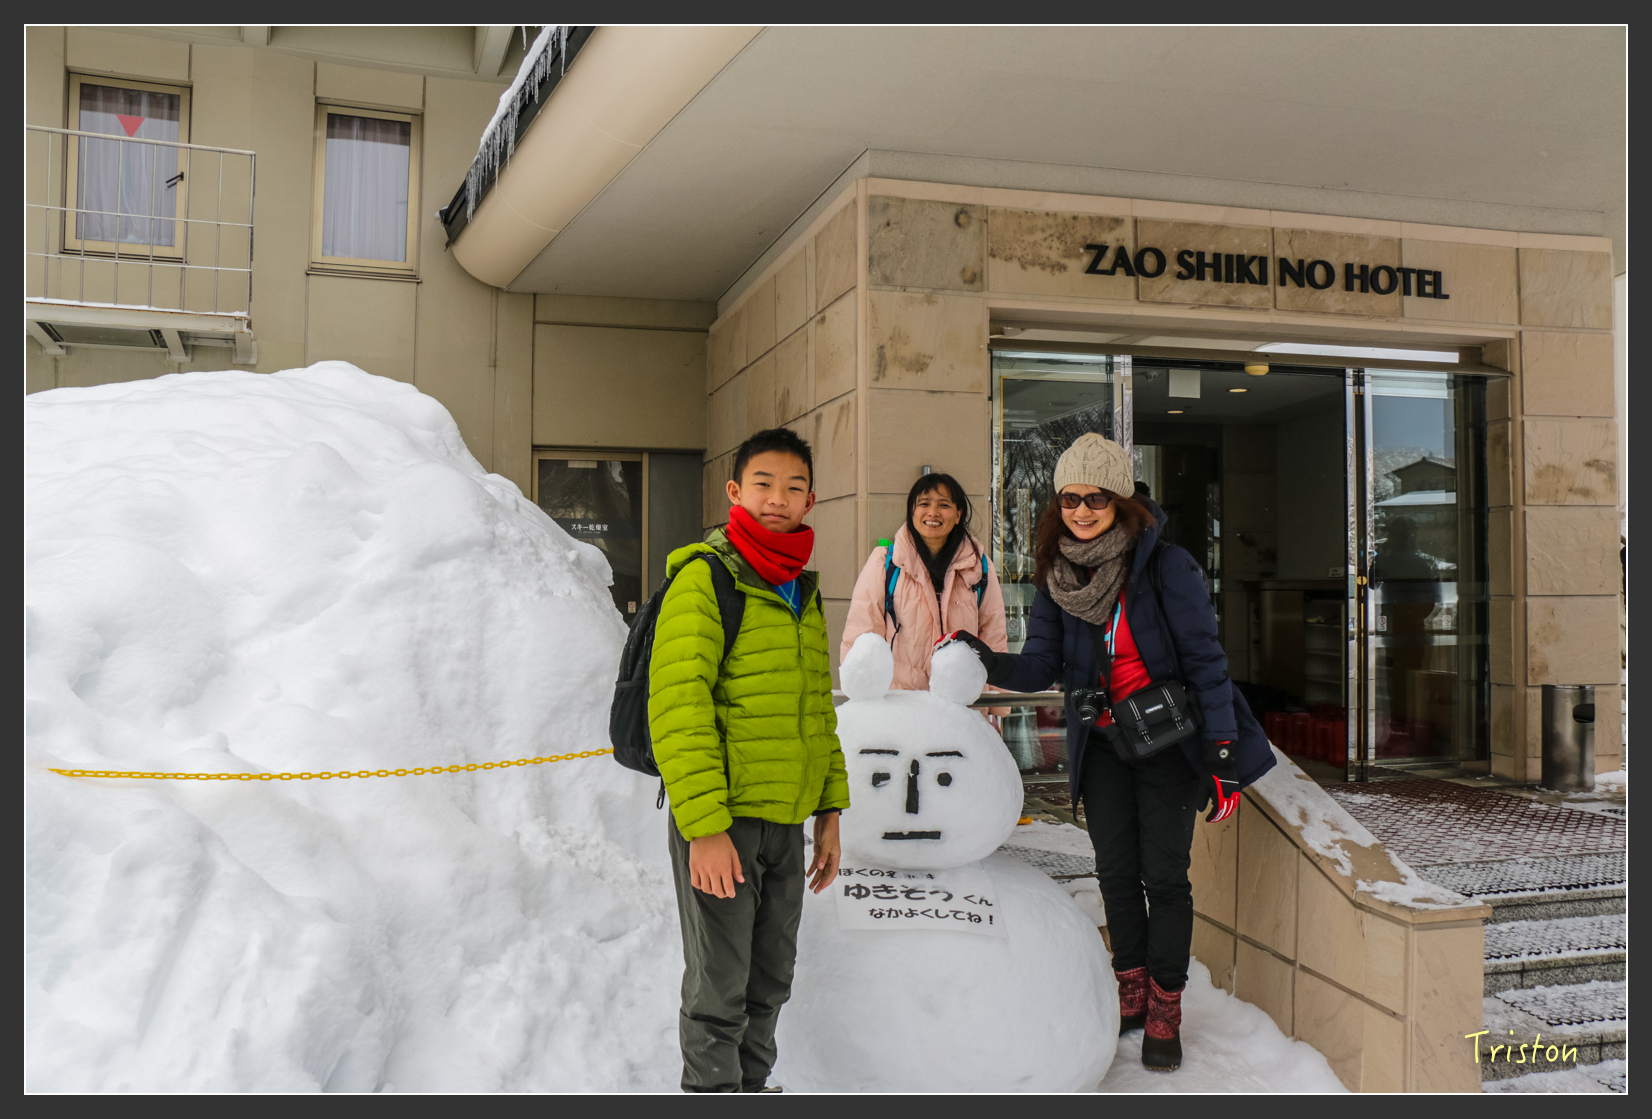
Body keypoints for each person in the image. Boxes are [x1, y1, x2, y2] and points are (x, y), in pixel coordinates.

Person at [944, 433, 1274, 1073]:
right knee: (1116, 874)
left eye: (1095, 498)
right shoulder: (1059, 575)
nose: (1081, 510)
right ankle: (1131, 986)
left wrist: (1222, 756)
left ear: (1122, 500)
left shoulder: (1167, 567)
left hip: (1168, 745)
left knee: (1165, 878)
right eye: (1069, 499)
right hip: (1101, 746)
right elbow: (1041, 663)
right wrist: (985, 658)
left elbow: (1207, 664)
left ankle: (1166, 1006)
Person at [649, 426, 851, 1092]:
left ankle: (751, 1087)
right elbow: (679, 707)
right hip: (724, 822)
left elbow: (816, 711)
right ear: (736, 491)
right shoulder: (705, 577)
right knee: (720, 988)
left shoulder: (801, 590)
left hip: (784, 823)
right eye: (764, 484)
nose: (777, 498)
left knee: (769, 981)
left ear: (811, 500)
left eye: (793, 487)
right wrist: (704, 828)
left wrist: (830, 810)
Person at [841, 472, 1008, 692]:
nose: (933, 512)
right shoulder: (885, 563)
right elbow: (861, 636)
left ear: (958, 515)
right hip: (902, 703)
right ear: (912, 511)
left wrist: (998, 705)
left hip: (962, 705)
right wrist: (861, 698)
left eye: (944, 505)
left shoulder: (979, 567)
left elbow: (994, 640)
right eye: (924, 503)